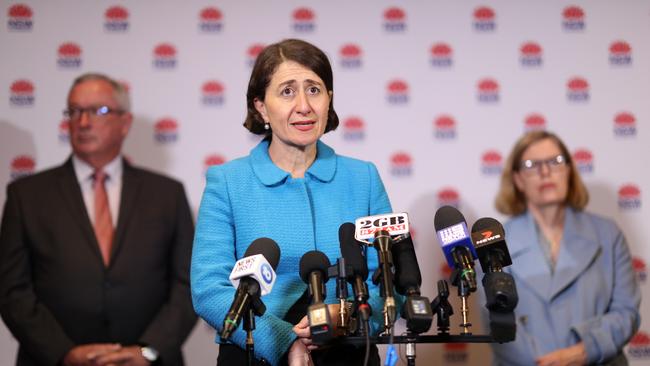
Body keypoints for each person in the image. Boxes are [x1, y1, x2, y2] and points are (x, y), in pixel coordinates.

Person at [191, 39, 394, 366]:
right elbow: (209, 289)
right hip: (254, 350)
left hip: (347, 351)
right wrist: (283, 340)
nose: (304, 106)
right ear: (260, 106)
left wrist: (342, 316)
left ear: (330, 99)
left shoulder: (363, 178)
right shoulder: (227, 182)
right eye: (287, 91)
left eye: (314, 90)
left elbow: (387, 281)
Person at [0, 73, 197, 365]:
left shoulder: (167, 194)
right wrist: (63, 354)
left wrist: (147, 351)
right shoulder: (26, 196)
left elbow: (188, 284)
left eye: (98, 111)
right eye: (75, 111)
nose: (83, 122)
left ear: (125, 123)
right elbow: (13, 290)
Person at [489, 130, 641, 365]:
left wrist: (584, 352)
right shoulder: (494, 242)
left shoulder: (608, 234)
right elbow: (497, 323)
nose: (545, 171)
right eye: (531, 165)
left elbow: (626, 312)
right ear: (518, 179)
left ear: (569, 171)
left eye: (555, 161)